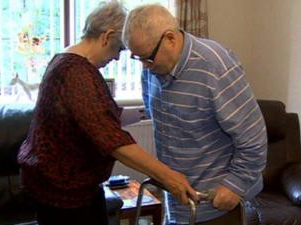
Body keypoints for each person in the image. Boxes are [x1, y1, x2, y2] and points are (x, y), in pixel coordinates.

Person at [17, 2, 198, 225]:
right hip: (62, 191)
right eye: (119, 49)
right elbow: (113, 141)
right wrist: (169, 176)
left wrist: (145, 113)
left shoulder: (63, 59)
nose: (116, 58)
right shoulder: (76, 73)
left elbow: (94, 117)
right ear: (106, 36)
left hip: (56, 184)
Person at [122, 4, 267, 225]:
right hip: (177, 204)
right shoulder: (152, 68)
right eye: (137, 58)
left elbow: (254, 138)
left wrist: (235, 185)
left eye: (147, 58)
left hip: (216, 207)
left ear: (170, 39)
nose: (143, 66)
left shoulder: (216, 66)